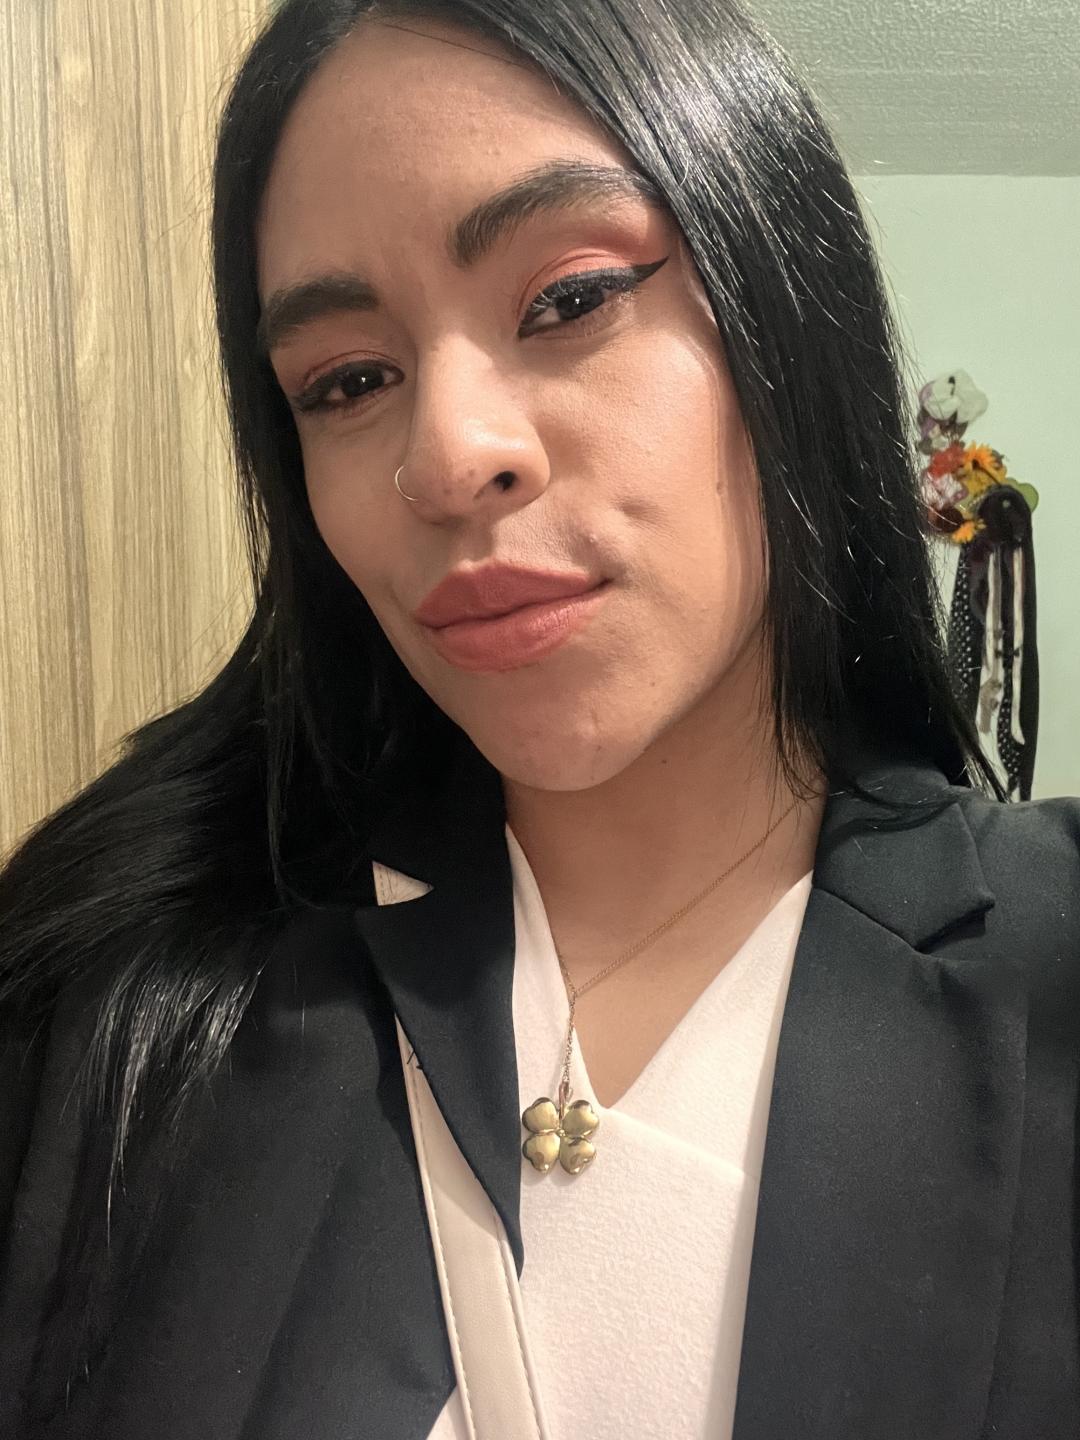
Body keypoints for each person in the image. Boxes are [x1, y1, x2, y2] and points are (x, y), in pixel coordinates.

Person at [1, 1, 1077, 1436]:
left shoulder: (1052, 964)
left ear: (781, 300)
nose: (449, 458)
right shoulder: (135, 989)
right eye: (349, 381)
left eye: (568, 300)